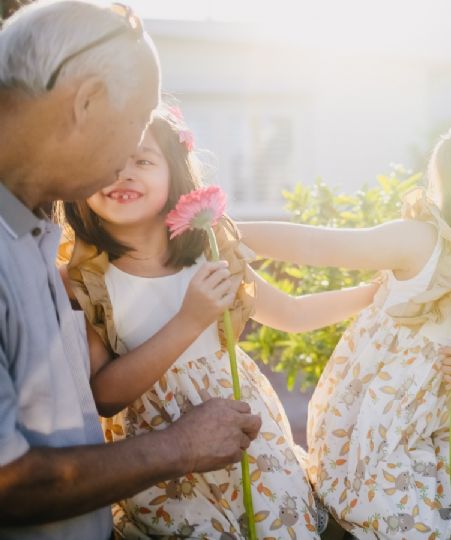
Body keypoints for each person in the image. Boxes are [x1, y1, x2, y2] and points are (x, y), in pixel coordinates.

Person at [58, 103, 380, 537]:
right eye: (108, 160)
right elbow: (104, 396)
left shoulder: (210, 250)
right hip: (164, 465)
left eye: (143, 160)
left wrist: (372, 295)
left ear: (174, 172)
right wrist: (190, 320)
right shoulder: (85, 280)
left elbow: (293, 309)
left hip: (248, 439)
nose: (124, 172)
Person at [0, 2, 259, 538]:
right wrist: (180, 446)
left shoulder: (33, 234)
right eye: (136, 125)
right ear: (86, 101)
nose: (126, 160)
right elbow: (9, 482)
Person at [238, 117, 451, 539]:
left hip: (447, 426)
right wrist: (233, 233)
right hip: (380, 437)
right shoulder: (426, 243)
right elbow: (322, 245)